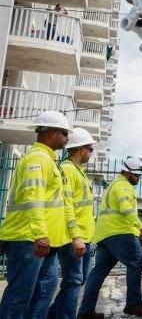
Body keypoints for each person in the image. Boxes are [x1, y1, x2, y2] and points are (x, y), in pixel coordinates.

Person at [0, 111, 85, 319]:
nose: (67, 139)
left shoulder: (48, 159)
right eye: (65, 134)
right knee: (20, 296)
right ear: (52, 133)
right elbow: (33, 197)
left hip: (42, 241)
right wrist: (40, 234)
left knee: (43, 291)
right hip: (28, 239)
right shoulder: (38, 159)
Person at [77, 157, 142, 318]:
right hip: (120, 232)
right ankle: (133, 304)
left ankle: (85, 311)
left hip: (105, 234)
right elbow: (126, 209)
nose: (138, 178)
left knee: (99, 271)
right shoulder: (124, 186)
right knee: (137, 261)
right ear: (126, 172)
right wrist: (140, 226)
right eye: (136, 175)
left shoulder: (114, 184)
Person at [48, 128, 97, 319]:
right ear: (81, 149)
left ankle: (52, 316)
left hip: (83, 236)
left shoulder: (78, 171)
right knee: (73, 281)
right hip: (74, 237)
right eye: (90, 149)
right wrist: (75, 236)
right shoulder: (68, 169)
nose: (91, 153)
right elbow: (67, 204)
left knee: (77, 280)